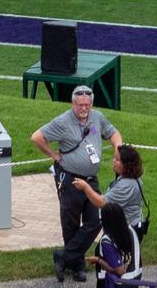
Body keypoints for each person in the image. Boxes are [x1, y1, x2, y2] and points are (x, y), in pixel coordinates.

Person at [34, 85, 123, 281]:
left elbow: (113, 133)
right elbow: (37, 137)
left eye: (87, 105)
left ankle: (63, 257)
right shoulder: (63, 121)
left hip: (92, 180)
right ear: (72, 103)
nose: (84, 108)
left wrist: (118, 147)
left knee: (95, 221)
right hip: (70, 179)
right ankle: (77, 266)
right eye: (80, 104)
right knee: (71, 223)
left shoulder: (97, 117)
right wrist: (53, 155)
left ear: (91, 104)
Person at [90, 202, 142, 288]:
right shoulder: (131, 230)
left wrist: (98, 260)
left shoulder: (107, 241)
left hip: (117, 284)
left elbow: (120, 271)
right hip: (135, 279)